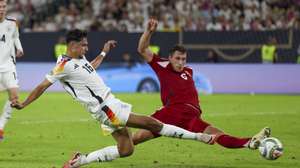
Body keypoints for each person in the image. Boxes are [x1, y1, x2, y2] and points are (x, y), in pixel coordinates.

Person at [11, 29, 216, 168]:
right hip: (107, 109)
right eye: (83, 45)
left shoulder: (79, 59)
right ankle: (199, 137)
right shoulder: (62, 66)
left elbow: (89, 68)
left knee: (126, 150)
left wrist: (103, 52)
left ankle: (79, 161)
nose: (86, 48)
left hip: (107, 108)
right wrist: (24, 103)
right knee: (154, 124)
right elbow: (41, 87)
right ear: (72, 45)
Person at [134, 19, 271, 151]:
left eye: (183, 59)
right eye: (177, 58)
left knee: (217, 135)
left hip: (191, 116)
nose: (181, 62)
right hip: (173, 111)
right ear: (170, 58)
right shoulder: (162, 65)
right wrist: (148, 32)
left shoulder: (189, 71)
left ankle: (250, 142)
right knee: (137, 138)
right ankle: (116, 146)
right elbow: (142, 49)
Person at [0, 0, 24, 141]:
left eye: (3, 6)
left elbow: (15, 37)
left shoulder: (12, 22)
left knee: (14, 99)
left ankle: (1, 127)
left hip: (9, 66)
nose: (2, 9)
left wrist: (19, 47)